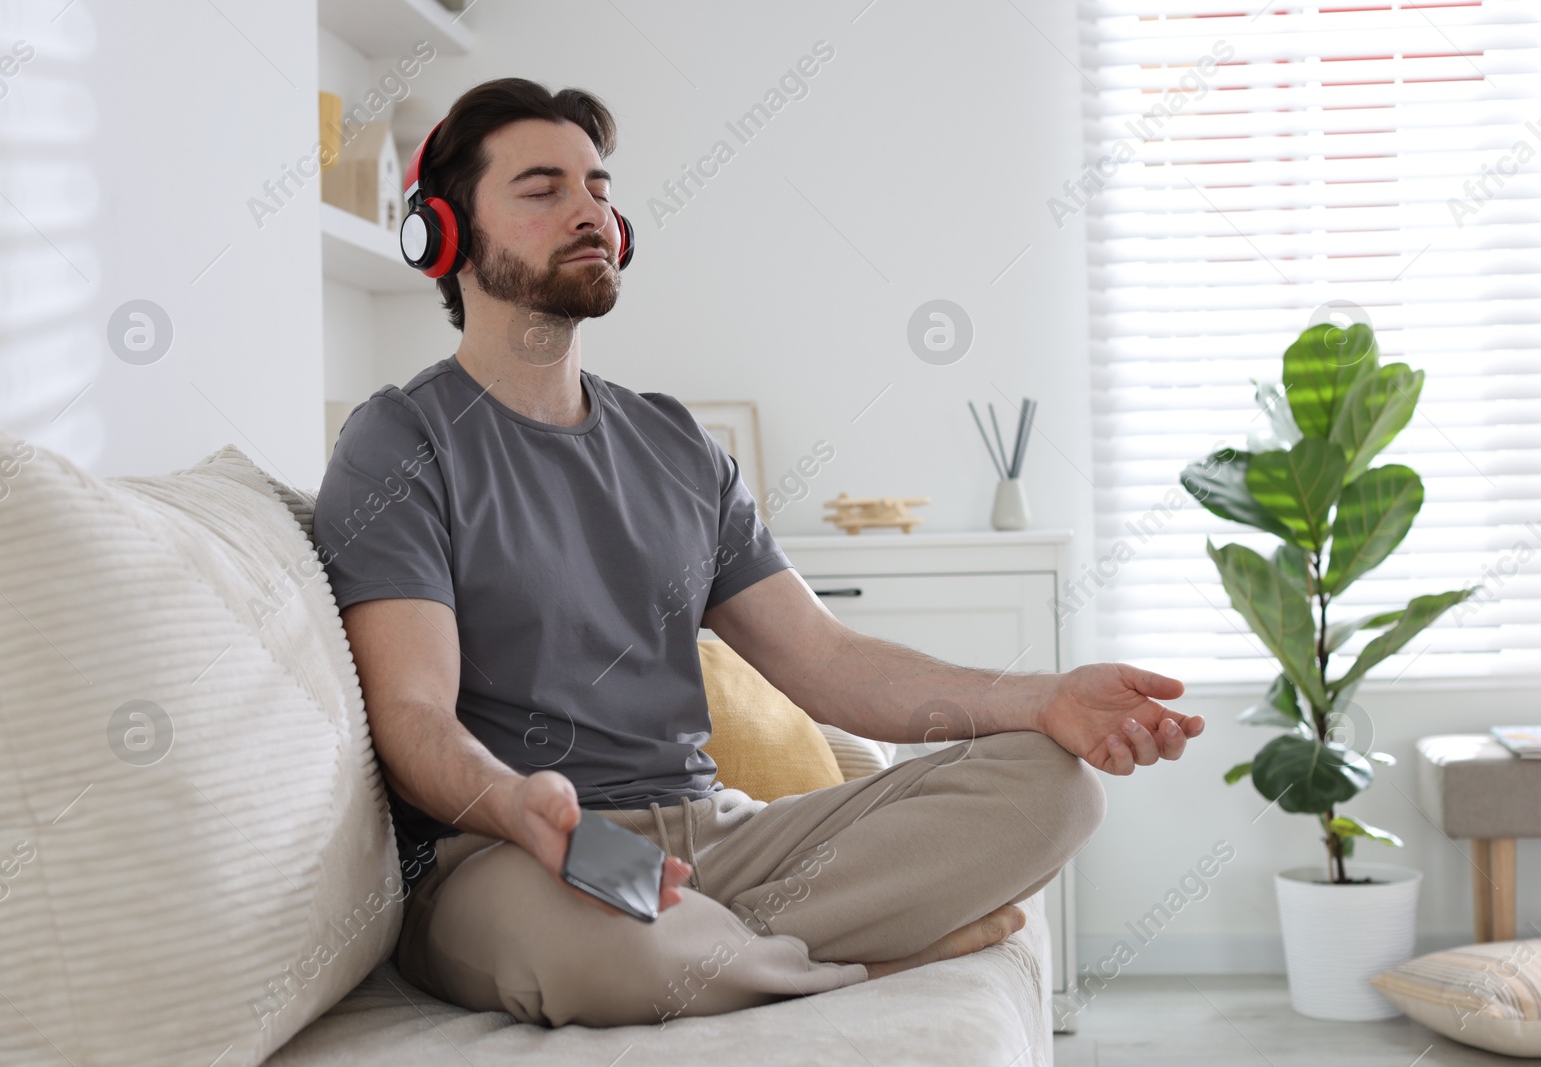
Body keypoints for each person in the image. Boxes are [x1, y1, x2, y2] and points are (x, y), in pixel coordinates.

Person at [311, 76, 1204, 1029]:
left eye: (600, 187)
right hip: (516, 851)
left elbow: (825, 660)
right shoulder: (402, 441)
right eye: (543, 189)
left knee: (1050, 787)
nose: (590, 210)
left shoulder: (676, 444)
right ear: (442, 237)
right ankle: (873, 952)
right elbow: (410, 714)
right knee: (599, 944)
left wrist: (1047, 698)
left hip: (715, 832)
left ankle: (722, 940)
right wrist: (514, 801)